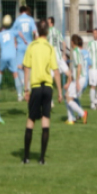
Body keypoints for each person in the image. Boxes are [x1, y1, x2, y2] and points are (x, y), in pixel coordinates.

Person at [22, 19, 63, 165]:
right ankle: (41, 159)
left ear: (37, 31)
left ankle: (26, 158)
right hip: (48, 88)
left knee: (31, 120)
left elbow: (26, 67)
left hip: (36, 87)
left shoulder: (31, 46)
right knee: (45, 121)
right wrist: (59, 92)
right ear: (47, 32)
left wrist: (26, 89)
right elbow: (56, 71)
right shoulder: (50, 48)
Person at [0, 24, 23, 101]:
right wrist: (24, 40)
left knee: (0, 72)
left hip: (4, 55)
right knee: (15, 74)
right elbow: (19, 33)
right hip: (12, 55)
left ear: (1, 30)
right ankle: (19, 95)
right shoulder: (11, 31)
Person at [12, 6, 37, 90]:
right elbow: (35, 32)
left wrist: (15, 42)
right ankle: (31, 83)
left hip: (20, 46)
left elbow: (13, 33)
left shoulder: (17, 20)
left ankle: (24, 82)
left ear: (20, 12)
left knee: (18, 66)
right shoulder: (31, 19)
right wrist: (35, 42)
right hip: (29, 46)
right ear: (26, 11)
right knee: (30, 66)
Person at [66, 35, 88, 124]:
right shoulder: (78, 51)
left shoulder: (76, 52)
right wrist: (69, 82)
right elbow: (74, 68)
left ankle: (83, 114)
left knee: (69, 98)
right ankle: (71, 119)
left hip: (79, 79)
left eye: (70, 41)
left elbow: (79, 66)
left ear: (72, 42)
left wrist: (77, 82)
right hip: (77, 79)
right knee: (67, 96)